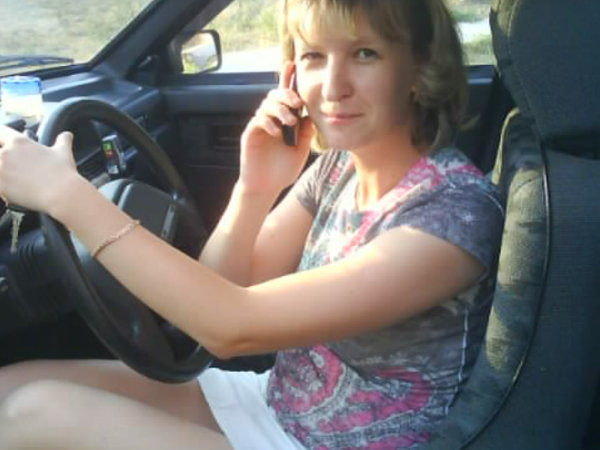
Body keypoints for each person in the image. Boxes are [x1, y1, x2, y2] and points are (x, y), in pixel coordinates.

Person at [0, 0, 504, 448]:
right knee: (12, 386)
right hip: (276, 400)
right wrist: (255, 187)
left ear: (420, 68)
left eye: (365, 53)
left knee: (35, 413)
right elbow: (219, 287)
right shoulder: (338, 169)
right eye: (314, 56)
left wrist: (66, 195)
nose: (333, 87)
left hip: (329, 444)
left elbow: (230, 328)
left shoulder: (453, 216)